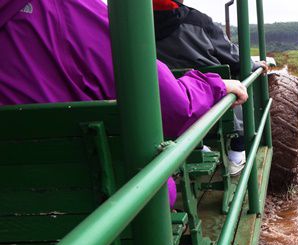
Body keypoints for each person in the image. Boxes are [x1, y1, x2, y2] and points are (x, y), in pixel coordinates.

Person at [0, 0, 248, 207]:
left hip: (12, 218)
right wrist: (213, 86)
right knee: (151, 179)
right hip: (99, 210)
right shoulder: (68, 10)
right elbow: (170, 106)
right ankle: (237, 153)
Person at [152, 0, 268, 176]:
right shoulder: (198, 21)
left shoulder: (128, 26)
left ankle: (197, 147)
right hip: (212, 109)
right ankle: (236, 154)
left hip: (163, 114)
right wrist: (254, 65)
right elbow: (234, 58)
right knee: (240, 92)